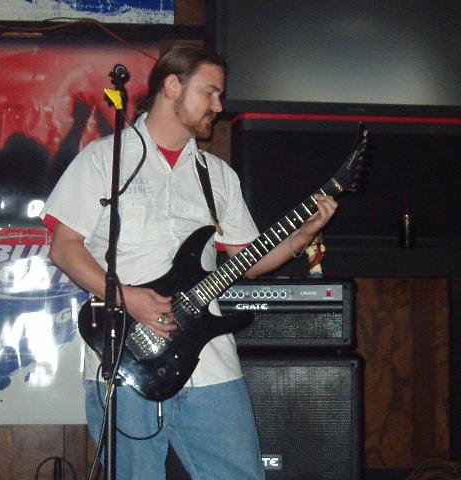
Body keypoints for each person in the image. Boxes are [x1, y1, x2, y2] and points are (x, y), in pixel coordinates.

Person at [40, 45, 338, 480]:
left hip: (210, 361)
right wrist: (127, 298)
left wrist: (301, 235)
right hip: (127, 356)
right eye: (210, 92)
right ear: (173, 86)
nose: (219, 106)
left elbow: (246, 260)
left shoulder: (217, 175)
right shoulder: (105, 159)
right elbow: (64, 248)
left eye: (220, 95)